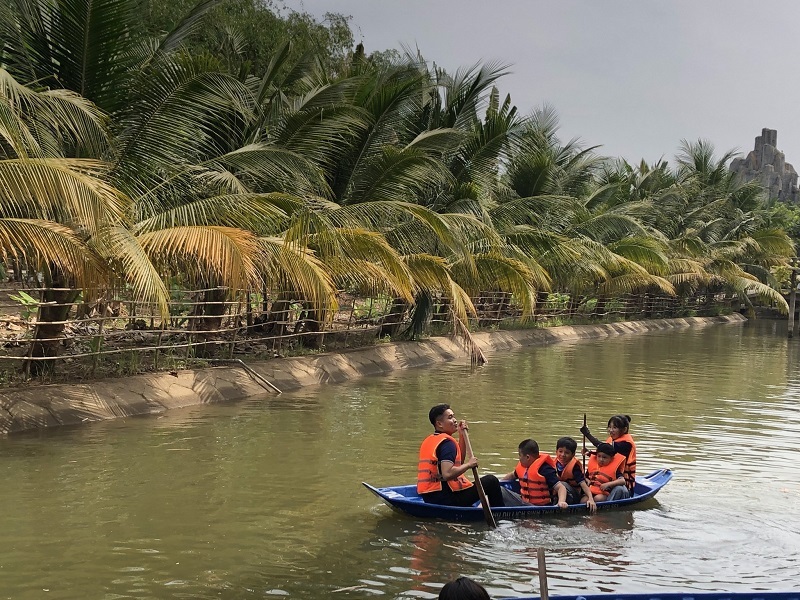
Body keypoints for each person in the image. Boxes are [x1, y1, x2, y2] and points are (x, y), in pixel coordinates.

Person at [418, 404, 505, 507]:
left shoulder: (432, 440)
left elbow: (458, 463)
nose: (455, 420)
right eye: (450, 417)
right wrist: (469, 465)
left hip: (430, 497)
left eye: (453, 416)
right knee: (491, 481)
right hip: (446, 498)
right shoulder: (447, 444)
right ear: (439, 424)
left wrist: (462, 435)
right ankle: (500, 515)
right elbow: (447, 474)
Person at [580, 414, 637, 500]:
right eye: (609, 427)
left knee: (618, 489)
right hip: (605, 481)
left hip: (621, 484)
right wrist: (589, 453)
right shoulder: (612, 439)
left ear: (624, 430)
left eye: (614, 428)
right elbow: (604, 452)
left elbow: (601, 447)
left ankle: (606, 505)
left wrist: (588, 434)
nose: (611, 430)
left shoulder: (626, 444)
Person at [501, 439, 569, 508]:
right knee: (499, 487)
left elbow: (561, 487)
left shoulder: (545, 469)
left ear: (527, 457)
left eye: (520, 455)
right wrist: (500, 482)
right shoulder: (523, 467)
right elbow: (512, 475)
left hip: (539, 506)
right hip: (524, 502)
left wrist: (561, 502)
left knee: (501, 490)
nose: (519, 458)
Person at [555, 436, 596, 513]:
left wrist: (591, 499)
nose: (563, 455)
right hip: (560, 494)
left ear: (572, 454)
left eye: (567, 453)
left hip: (575, 495)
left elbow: (583, 484)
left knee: (561, 484)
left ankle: (563, 504)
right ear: (556, 451)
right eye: (560, 451)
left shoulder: (574, 467)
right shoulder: (553, 464)